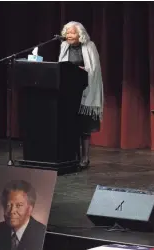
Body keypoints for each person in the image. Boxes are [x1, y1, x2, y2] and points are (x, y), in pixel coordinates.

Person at [58, 21, 104, 168]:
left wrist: (81, 70)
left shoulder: (90, 47)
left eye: (72, 33)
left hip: (85, 91)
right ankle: (70, 156)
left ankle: (85, 157)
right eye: (67, 33)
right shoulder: (64, 46)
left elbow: (94, 69)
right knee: (69, 125)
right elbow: (61, 66)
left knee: (84, 127)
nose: (69, 35)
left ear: (80, 34)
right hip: (68, 92)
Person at [0, 180, 46, 250]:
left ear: (29, 209)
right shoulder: (1, 228)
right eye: (8, 205)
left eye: (19, 205)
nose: (12, 211)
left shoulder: (41, 233)